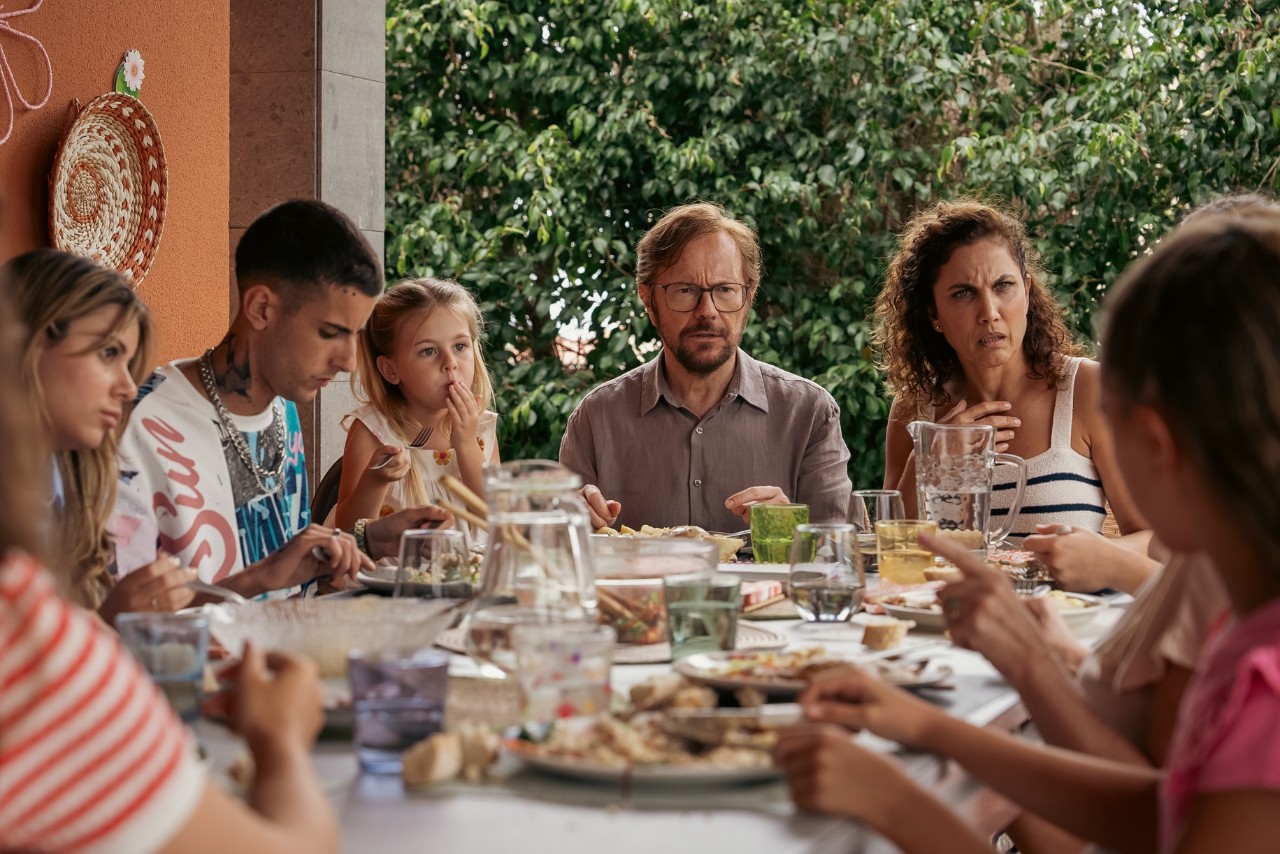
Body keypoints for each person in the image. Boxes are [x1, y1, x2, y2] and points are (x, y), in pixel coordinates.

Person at [775, 206, 1280, 853]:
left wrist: (892, 798)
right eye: (963, 293)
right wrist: (943, 726)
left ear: (1154, 440)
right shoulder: (1244, 623)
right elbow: (1162, 816)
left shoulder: (1261, 683)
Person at [0, 287, 340, 854]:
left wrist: (256, 578)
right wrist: (279, 738)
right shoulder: (28, 641)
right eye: (107, 354)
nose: (130, 387)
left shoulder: (66, 492)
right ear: (21, 355)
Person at [112, 199, 449, 598]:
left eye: (355, 336)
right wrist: (262, 578)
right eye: (329, 332)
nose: (348, 362)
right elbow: (115, 626)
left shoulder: (281, 410)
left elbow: (284, 580)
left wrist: (367, 539)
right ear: (261, 308)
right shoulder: (132, 427)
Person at [874, 199, 1155, 592]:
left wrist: (1102, 556)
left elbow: (1155, 540)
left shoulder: (1087, 390)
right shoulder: (914, 409)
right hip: (946, 635)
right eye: (963, 293)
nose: (989, 311)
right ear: (933, 314)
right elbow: (891, 550)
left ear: (1026, 290)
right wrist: (930, 458)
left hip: (1070, 628)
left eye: (1003, 286)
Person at [559, 201, 852, 532]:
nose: (707, 311)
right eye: (685, 291)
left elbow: (836, 561)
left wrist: (791, 531)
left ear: (749, 295)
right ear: (648, 300)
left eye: (725, 290)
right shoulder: (596, 419)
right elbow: (557, 560)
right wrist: (566, 523)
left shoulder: (810, 413)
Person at [3, 248, 196, 623]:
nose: (127, 388)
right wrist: (109, 624)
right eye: (108, 353)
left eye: (129, 365)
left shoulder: (75, 484)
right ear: (29, 343)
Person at [334, 277, 499, 536]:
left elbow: (496, 519)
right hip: (392, 575)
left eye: (459, 346)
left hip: (470, 573)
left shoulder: (481, 427)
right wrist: (375, 480)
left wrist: (466, 444)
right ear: (391, 369)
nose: (450, 363)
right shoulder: (373, 430)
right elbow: (348, 530)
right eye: (428, 351)